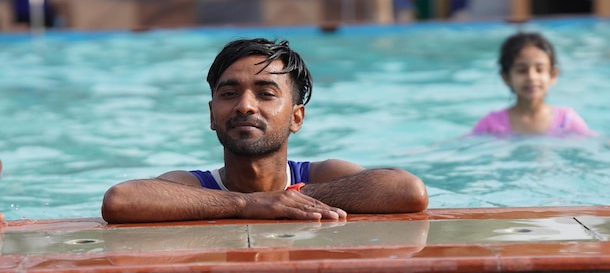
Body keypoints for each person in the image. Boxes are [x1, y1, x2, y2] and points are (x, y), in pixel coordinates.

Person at [101, 38, 429, 223]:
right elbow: (121, 200)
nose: (245, 105)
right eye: (229, 94)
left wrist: (293, 198)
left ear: (296, 118)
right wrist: (249, 204)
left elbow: (408, 190)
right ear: (213, 115)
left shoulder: (320, 176)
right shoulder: (194, 186)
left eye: (265, 93)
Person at [471, 32, 592, 137]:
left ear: (553, 75)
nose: (531, 77)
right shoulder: (492, 124)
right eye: (522, 70)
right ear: (506, 77)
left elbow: (592, 142)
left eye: (539, 70)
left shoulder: (566, 121)